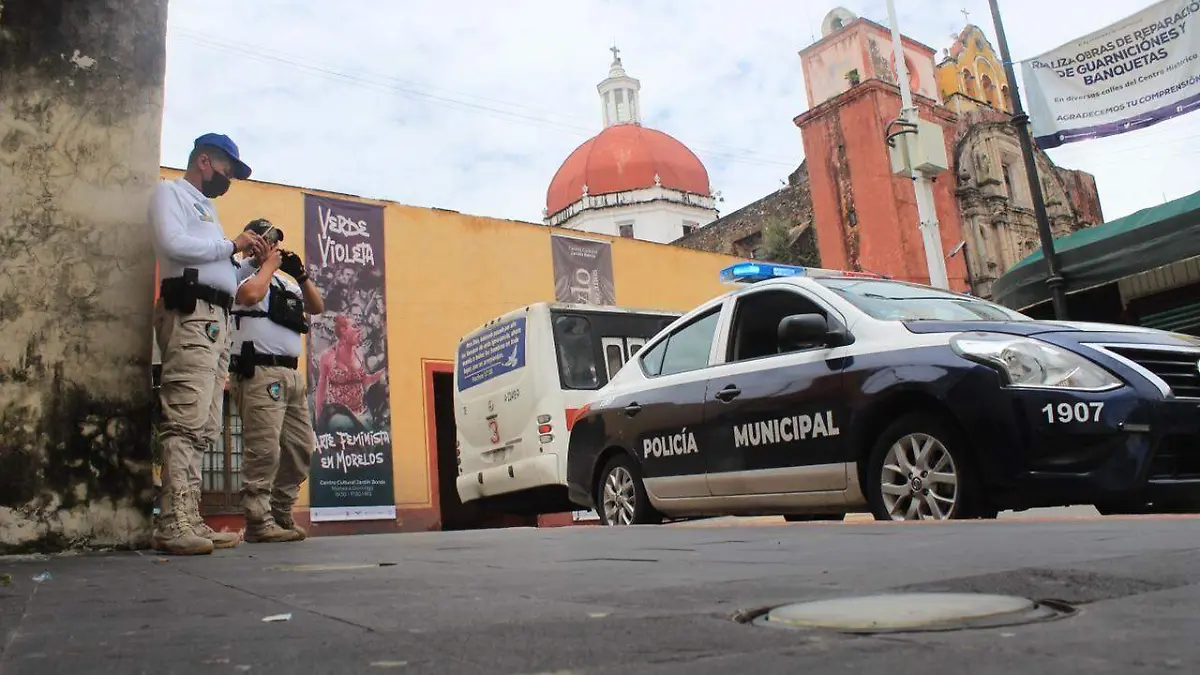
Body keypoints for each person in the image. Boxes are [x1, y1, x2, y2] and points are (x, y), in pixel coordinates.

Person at [151, 133, 265, 555]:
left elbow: (222, 274)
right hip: (190, 312)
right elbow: (171, 244)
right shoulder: (171, 194)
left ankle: (190, 516)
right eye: (226, 170)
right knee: (184, 414)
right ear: (204, 161)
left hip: (217, 319)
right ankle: (173, 522)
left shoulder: (209, 211)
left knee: (202, 423)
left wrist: (248, 264)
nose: (228, 179)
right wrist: (231, 245)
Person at [230, 220, 325, 543]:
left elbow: (316, 306)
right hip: (258, 372)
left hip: (291, 374)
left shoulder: (285, 283)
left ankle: (281, 510)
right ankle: (258, 521)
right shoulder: (236, 272)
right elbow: (250, 294)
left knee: (301, 448)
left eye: (274, 240)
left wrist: (301, 275)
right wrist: (266, 265)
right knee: (264, 450)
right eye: (265, 238)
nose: (271, 245)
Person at [315, 314, 386, 434]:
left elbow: (363, 381)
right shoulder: (327, 356)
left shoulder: (359, 353)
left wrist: (378, 375)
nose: (359, 329)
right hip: (338, 417)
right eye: (354, 326)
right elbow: (321, 388)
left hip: (361, 415)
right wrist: (318, 418)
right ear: (343, 331)